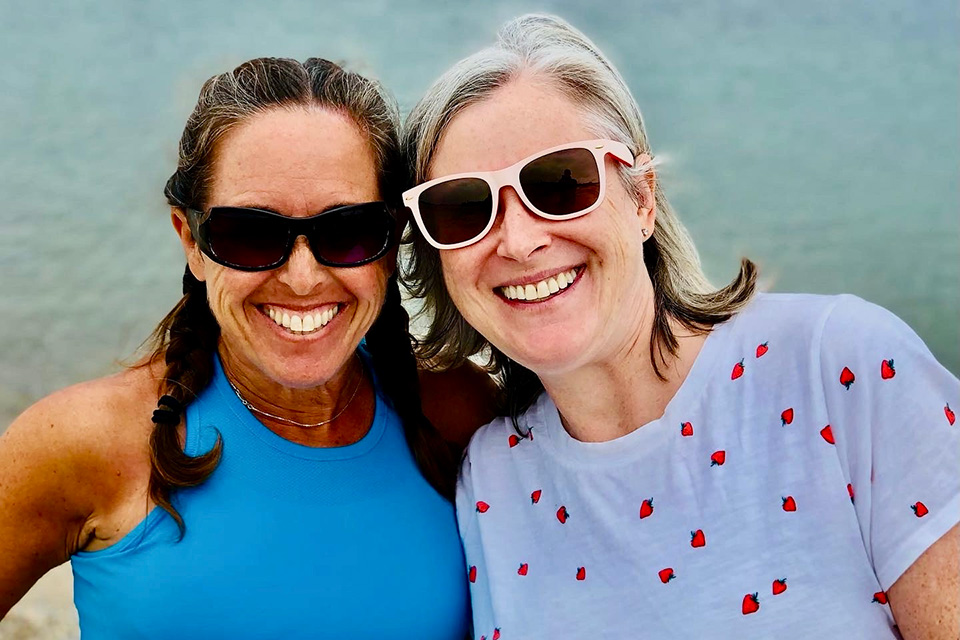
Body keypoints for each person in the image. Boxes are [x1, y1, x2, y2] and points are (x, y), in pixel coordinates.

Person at [401, 15, 959, 639]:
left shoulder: (845, 368)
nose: (521, 239)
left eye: (560, 183)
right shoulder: (492, 480)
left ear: (642, 199)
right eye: (463, 208)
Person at [0, 57, 493, 638]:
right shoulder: (84, 445)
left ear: (391, 243)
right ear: (192, 242)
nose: (304, 278)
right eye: (251, 234)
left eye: (347, 231)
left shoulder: (458, 413)